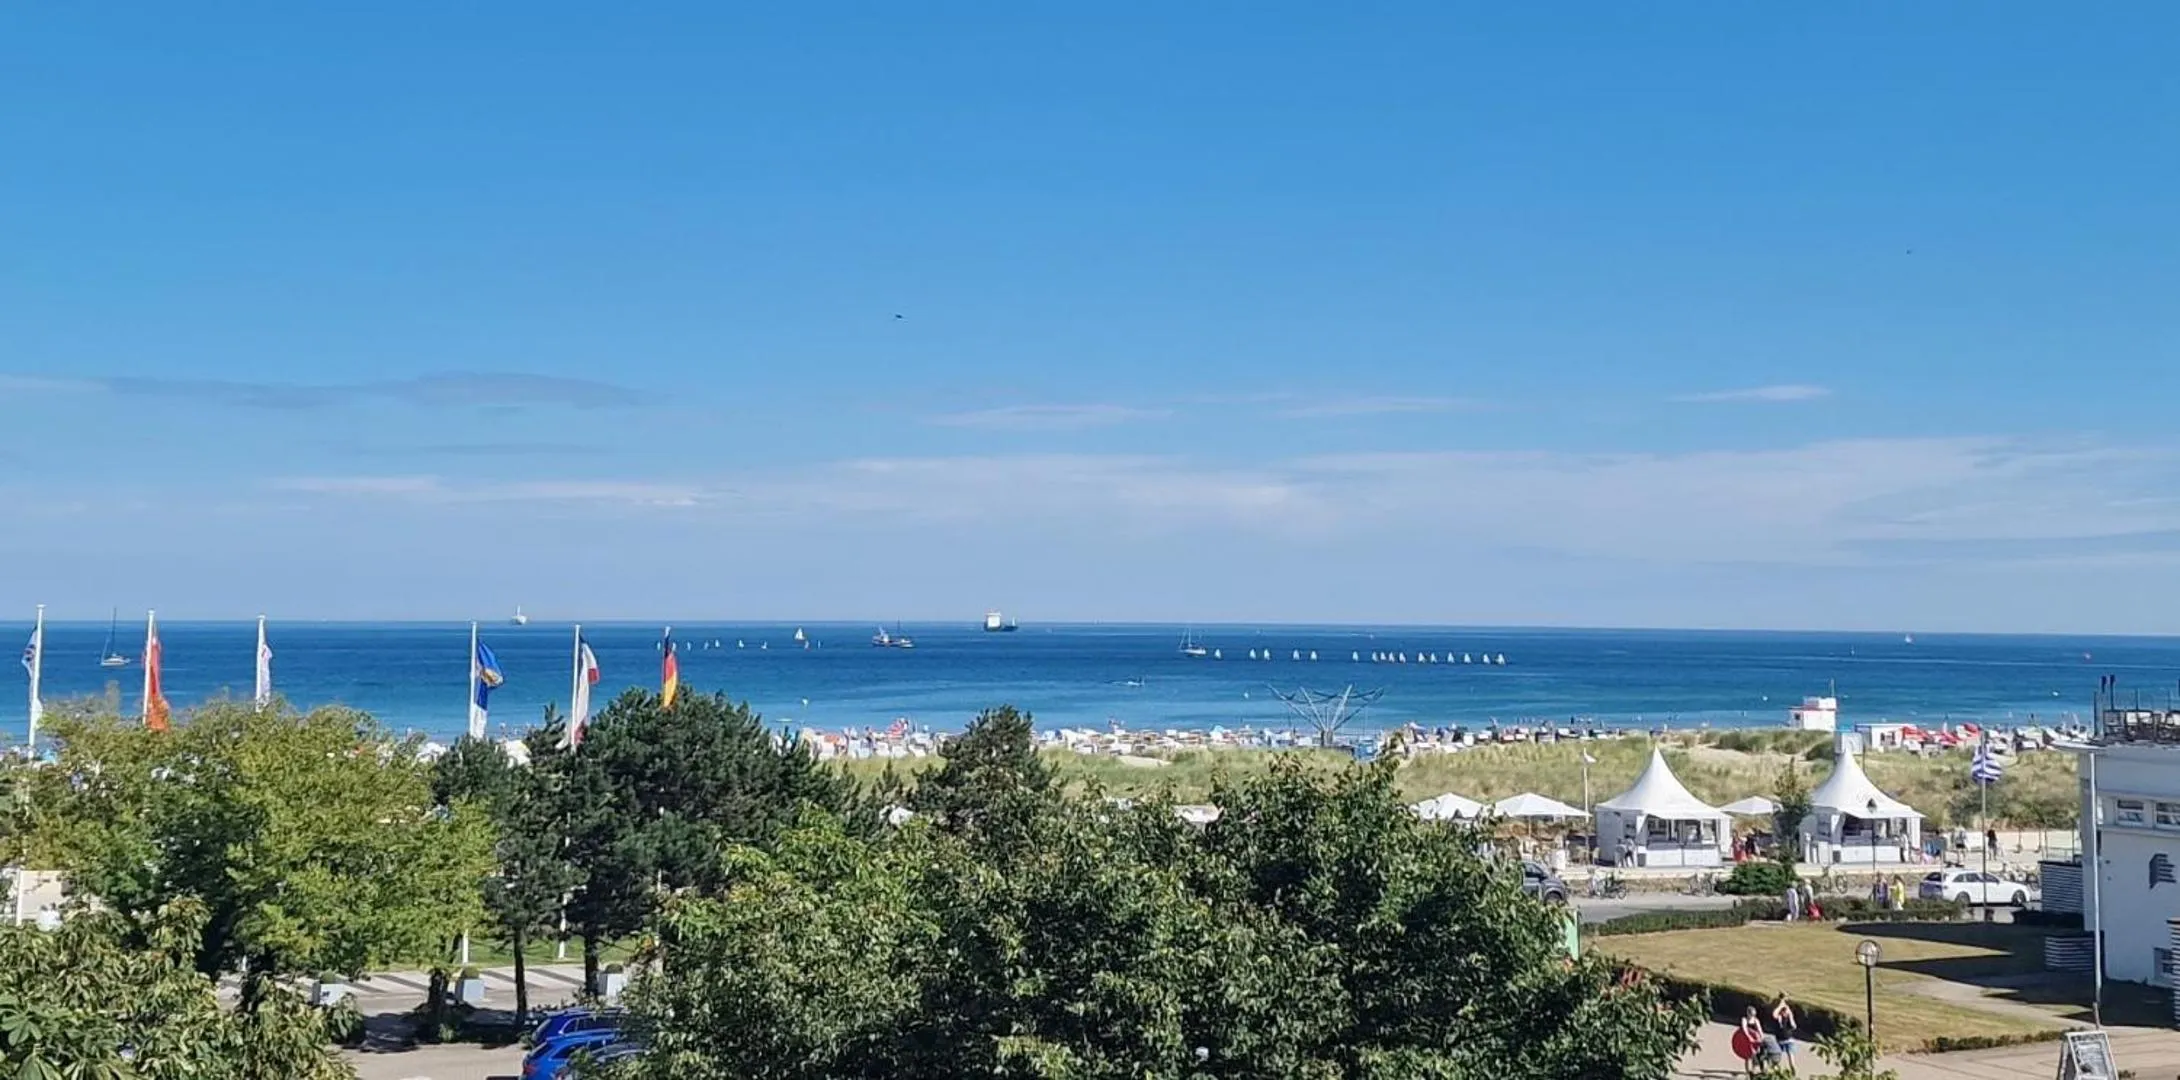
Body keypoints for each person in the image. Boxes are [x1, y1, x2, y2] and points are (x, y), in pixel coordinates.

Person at [1738, 1005, 1784, 1074]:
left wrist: (1761, 1039)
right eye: (1751, 1014)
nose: (1752, 1016)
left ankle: (1754, 1070)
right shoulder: (1744, 1019)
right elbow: (1745, 1029)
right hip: (1746, 1039)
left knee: (1756, 1054)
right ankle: (1747, 1072)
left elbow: (1760, 1030)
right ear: (1748, 1013)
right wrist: (1749, 1037)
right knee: (1747, 1056)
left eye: (1754, 1014)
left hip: (1755, 1039)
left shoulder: (1756, 1020)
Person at [1768, 993, 1800, 1068]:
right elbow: (1774, 1014)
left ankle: (1793, 1072)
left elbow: (1794, 1026)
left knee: (1791, 1057)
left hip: (1788, 1039)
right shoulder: (1778, 1017)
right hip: (1779, 1040)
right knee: (1776, 1058)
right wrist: (1781, 1005)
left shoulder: (1789, 1016)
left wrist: (1790, 1014)